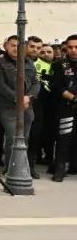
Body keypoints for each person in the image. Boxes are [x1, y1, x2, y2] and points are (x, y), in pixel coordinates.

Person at [0, 35, 39, 178]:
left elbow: (36, 83)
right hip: (8, 106)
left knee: (24, 138)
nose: (16, 48)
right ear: (6, 46)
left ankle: (21, 168)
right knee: (12, 138)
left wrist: (28, 97)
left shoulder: (29, 63)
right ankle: (10, 169)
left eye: (19, 46)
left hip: (26, 106)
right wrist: (17, 98)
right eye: (13, 45)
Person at [50, 35, 77, 183]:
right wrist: (72, 98)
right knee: (64, 138)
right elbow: (56, 86)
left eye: (76, 47)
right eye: (70, 47)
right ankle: (59, 168)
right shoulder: (59, 64)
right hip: (67, 106)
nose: (73, 50)